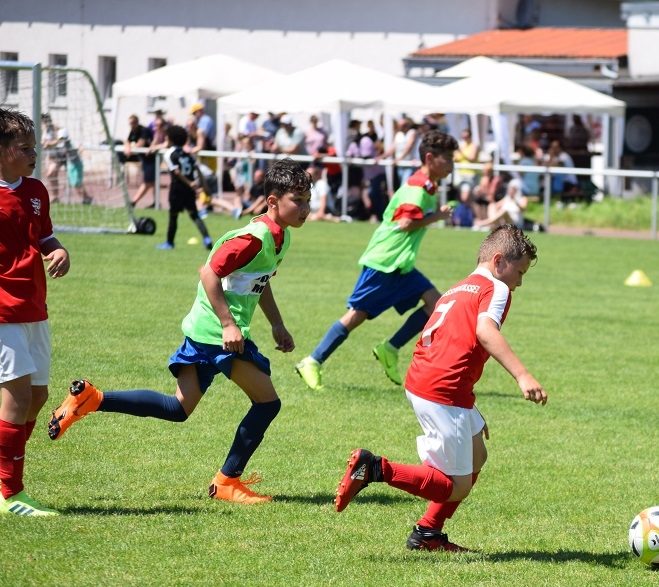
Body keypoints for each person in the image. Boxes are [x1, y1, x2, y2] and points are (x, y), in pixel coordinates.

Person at [47, 159, 312, 504]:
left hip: (206, 332)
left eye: (308, 200)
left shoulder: (281, 237)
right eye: (298, 200)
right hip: (217, 335)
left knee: (178, 409)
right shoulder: (253, 238)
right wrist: (229, 324)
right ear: (272, 201)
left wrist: (277, 324)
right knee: (267, 403)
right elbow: (208, 273)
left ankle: (93, 399)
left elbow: (258, 282)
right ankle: (227, 482)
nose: (305, 208)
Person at [333, 225, 545, 551]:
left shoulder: (459, 287)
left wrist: (468, 406)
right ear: (499, 261)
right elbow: (485, 331)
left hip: (427, 377)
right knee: (456, 486)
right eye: (520, 272)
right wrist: (522, 375)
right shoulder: (497, 289)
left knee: (477, 455)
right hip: (444, 388)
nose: (519, 282)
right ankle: (374, 468)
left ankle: (428, 533)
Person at [294, 129, 457, 390]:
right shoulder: (417, 188)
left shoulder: (427, 186)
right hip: (385, 260)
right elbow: (406, 223)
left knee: (436, 304)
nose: (452, 163)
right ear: (429, 158)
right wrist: (437, 216)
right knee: (356, 316)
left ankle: (389, 349)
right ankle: (312, 361)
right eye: (447, 158)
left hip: (401, 264)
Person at [0, 107, 72, 516]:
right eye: (25, 148)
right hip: (3, 310)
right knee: (18, 395)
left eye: (34, 147)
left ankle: (3, 470)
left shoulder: (36, 190)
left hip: (35, 307)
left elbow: (45, 236)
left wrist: (58, 250)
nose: (34, 155)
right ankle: (10, 493)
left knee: (39, 395)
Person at [159, 124, 213, 250]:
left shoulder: (170, 154)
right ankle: (207, 238)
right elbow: (197, 169)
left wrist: (190, 183)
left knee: (173, 215)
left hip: (177, 189)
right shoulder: (187, 154)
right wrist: (204, 186)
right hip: (189, 190)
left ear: (171, 139)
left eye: (166, 138)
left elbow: (177, 172)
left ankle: (169, 243)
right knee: (194, 215)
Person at [123, 114, 157, 208]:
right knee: (153, 182)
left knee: (148, 182)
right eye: (130, 123)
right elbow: (127, 141)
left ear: (137, 122)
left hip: (151, 159)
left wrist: (131, 149)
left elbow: (141, 144)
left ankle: (134, 202)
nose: (132, 125)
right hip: (144, 160)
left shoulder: (143, 130)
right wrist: (128, 147)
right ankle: (156, 203)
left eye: (133, 123)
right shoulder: (133, 131)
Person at [55, 129, 92, 205]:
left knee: (77, 183)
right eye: (61, 138)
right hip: (70, 165)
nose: (63, 140)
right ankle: (85, 198)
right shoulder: (60, 145)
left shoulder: (72, 143)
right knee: (74, 184)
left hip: (76, 164)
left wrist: (86, 154)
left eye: (64, 138)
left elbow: (80, 148)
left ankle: (86, 198)